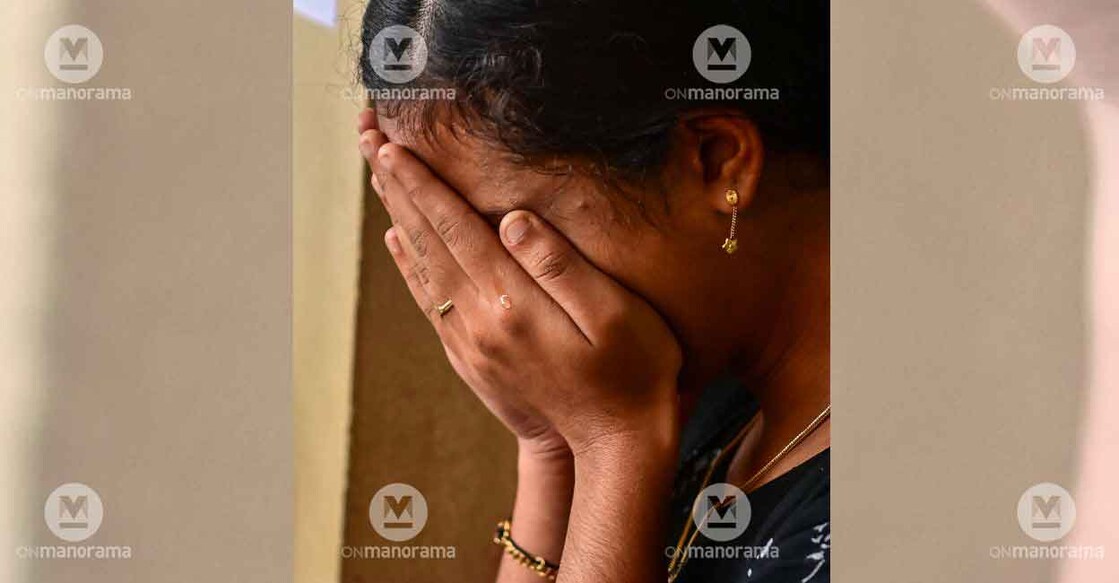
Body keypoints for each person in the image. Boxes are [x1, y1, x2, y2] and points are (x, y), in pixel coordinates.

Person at [355, 1, 829, 581]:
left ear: (717, 162)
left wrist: (614, 445)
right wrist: (553, 446)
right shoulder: (681, 388)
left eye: (507, 232)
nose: (491, 308)